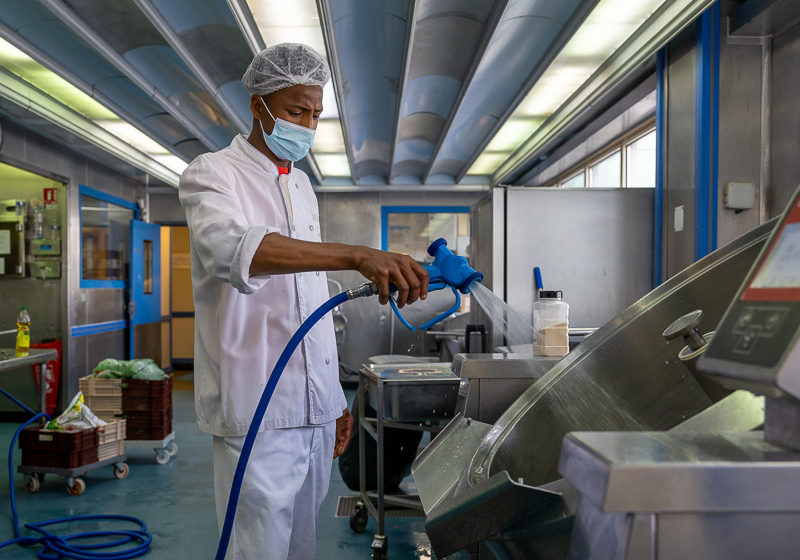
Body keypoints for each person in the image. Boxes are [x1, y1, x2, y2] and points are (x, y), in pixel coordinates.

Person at [179, 43, 429, 559]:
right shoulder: (213, 173)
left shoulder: (300, 186)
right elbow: (239, 251)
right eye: (296, 111)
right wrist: (357, 254)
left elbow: (310, 300)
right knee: (258, 550)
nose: (308, 125)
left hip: (312, 413)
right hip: (256, 408)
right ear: (259, 105)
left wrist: (332, 401)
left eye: (315, 114)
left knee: (300, 548)